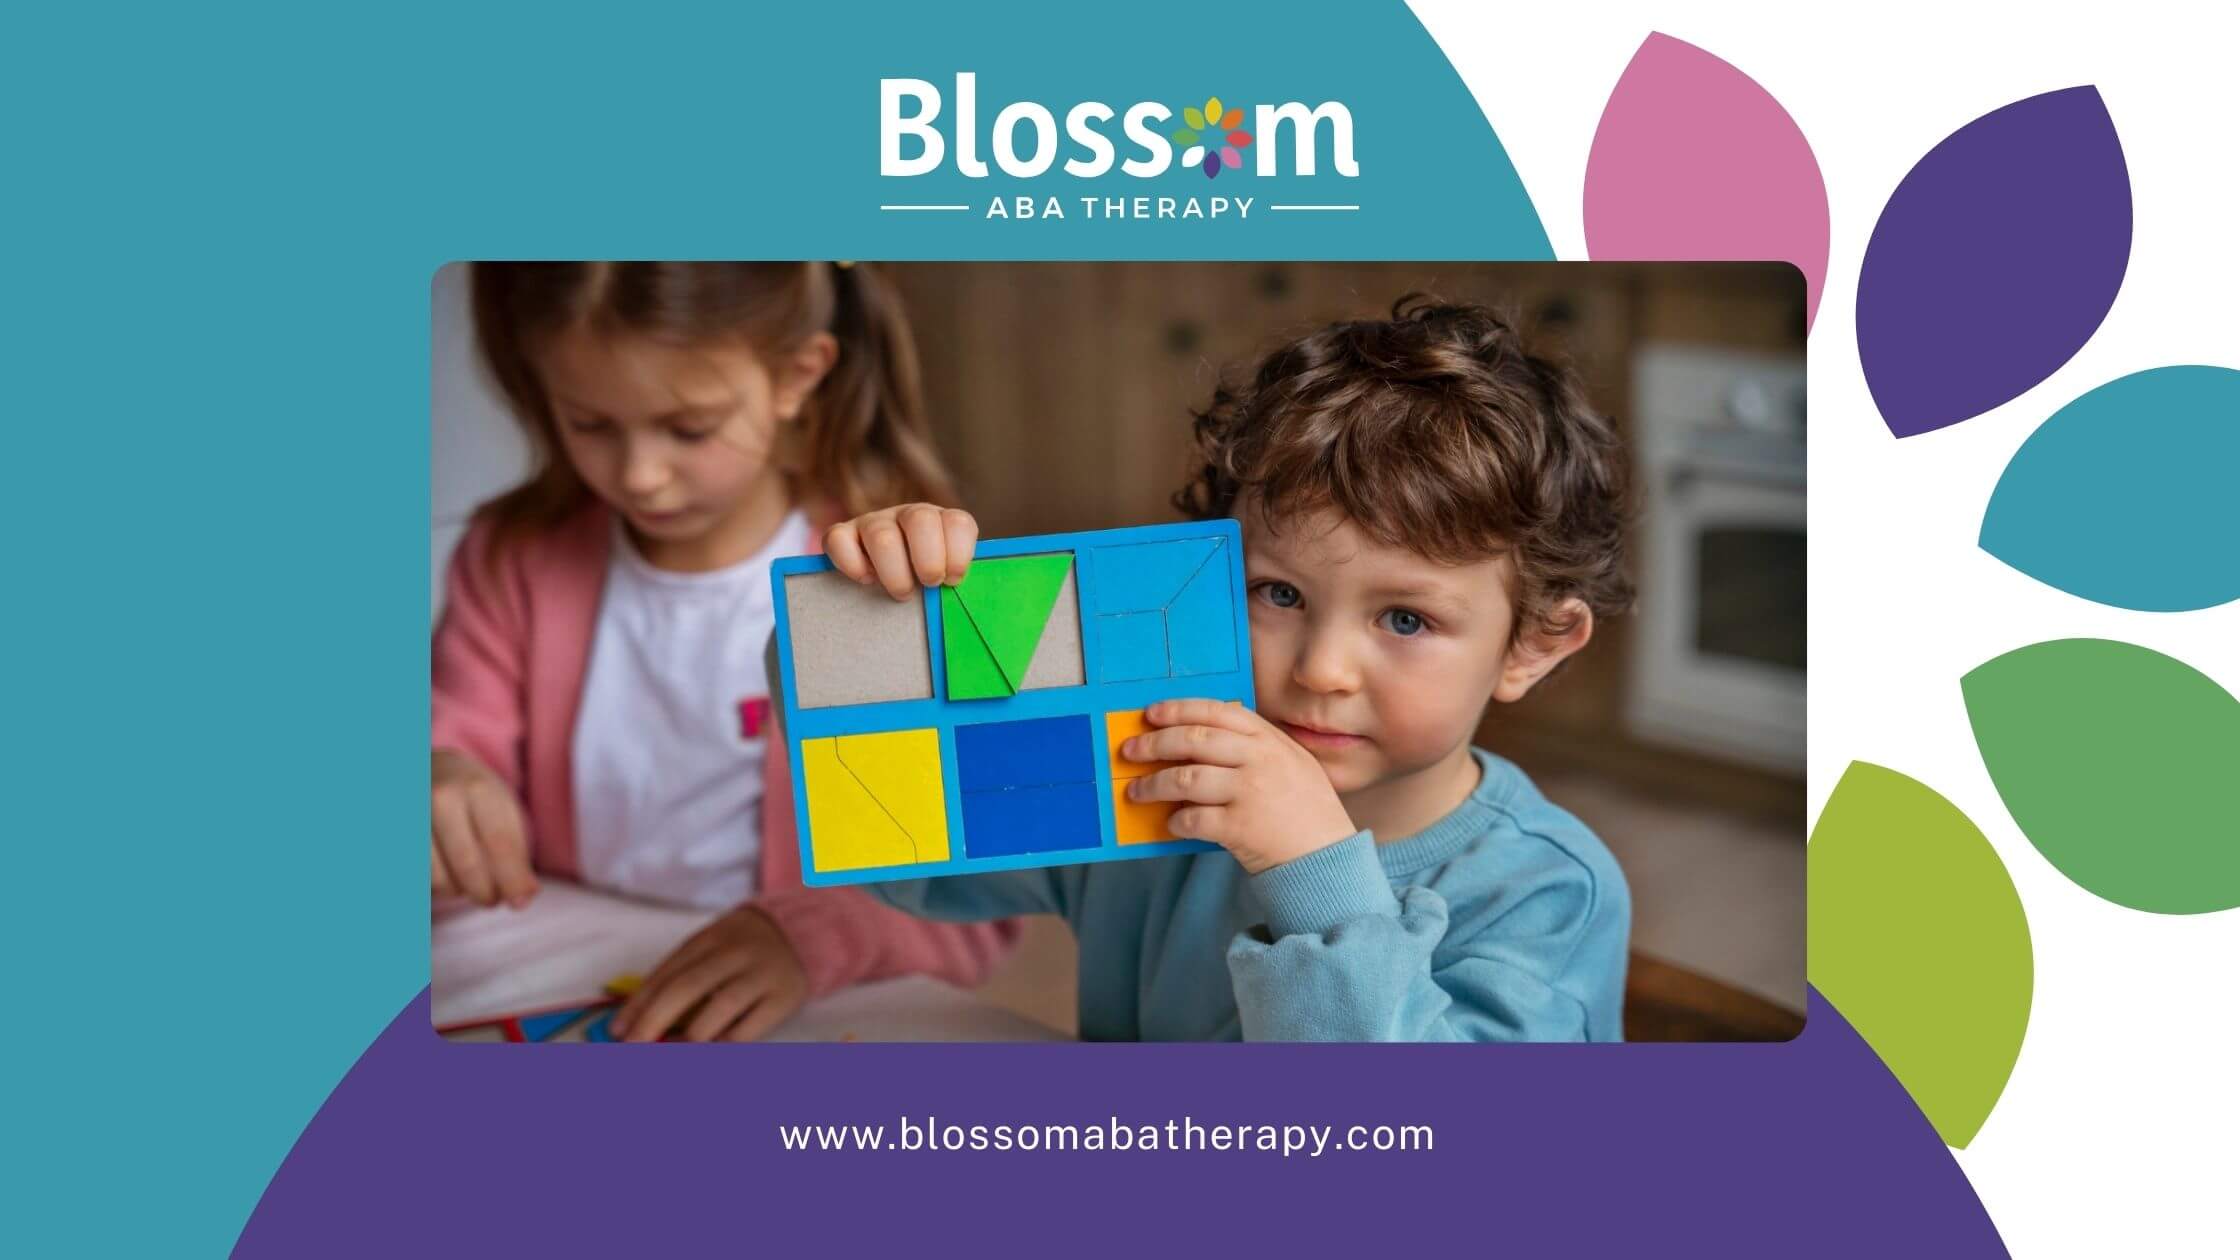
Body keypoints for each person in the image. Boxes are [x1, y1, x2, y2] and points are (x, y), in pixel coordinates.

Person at [826, 297, 1633, 1041]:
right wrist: (871, 623)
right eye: (1277, 592)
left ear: (1533, 644)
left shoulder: (1549, 895)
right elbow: (899, 857)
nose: (1322, 670)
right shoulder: (1151, 776)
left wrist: (1313, 875)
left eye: (1405, 619)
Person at [433, 262, 1017, 1042]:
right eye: (589, 424)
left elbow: (987, 899)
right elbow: (455, 758)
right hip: (571, 969)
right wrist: (443, 784)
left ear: (797, 376)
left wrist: (814, 938)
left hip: (821, 1003)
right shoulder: (510, 558)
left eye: (688, 428)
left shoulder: (894, 581)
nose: (640, 475)